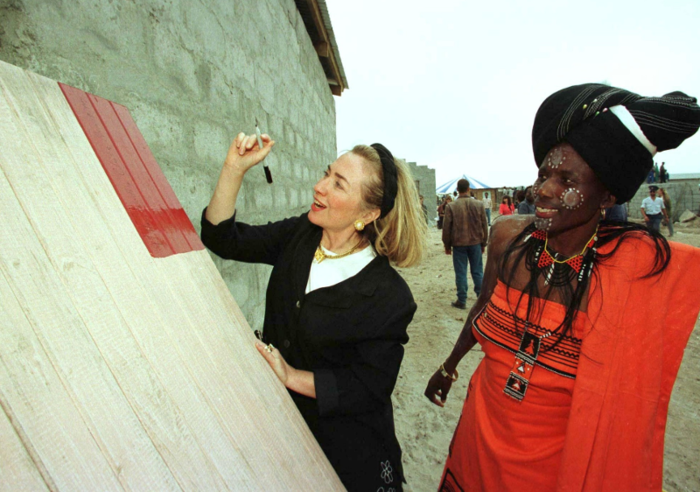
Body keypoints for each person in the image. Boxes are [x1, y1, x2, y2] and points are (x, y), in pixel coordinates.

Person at [424, 83, 700, 491]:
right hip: (480, 432)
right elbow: (482, 308)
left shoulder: (628, 271)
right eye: (543, 174)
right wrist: (450, 366)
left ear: (607, 195)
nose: (544, 190)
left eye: (566, 179)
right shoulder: (508, 239)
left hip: (555, 464)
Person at [201, 135, 427, 491]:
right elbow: (222, 239)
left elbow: (369, 387)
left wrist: (291, 376)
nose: (318, 187)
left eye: (338, 184)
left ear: (367, 214)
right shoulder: (302, 235)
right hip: (278, 428)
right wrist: (234, 168)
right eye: (327, 173)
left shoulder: (389, 296)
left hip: (343, 451)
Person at [442, 179, 489, 310]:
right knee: (478, 271)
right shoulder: (479, 204)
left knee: (461, 272)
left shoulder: (451, 206)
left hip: (458, 244)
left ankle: (462, 300)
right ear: (469, 188)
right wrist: (484, 242)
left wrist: (447, 245)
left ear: (457, 190)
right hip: (475, 243)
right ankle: (481, 298)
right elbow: (484, 225)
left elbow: (446, 228)